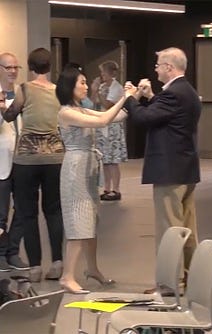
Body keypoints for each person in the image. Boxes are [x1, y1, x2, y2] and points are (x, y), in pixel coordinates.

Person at [123, 47, 200, 295]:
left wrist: (130, 98)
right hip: (185, 170)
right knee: (187, 230)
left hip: (169, 172)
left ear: (168, 67)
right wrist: (151, 96)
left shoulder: (174, 94)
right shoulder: (186, 91)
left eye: (158, 65)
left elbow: (144, 119)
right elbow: (164, 114)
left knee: (170, 229)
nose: (155, 69)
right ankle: (190, 278)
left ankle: (170, 284)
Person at [56, 66, 126, 294]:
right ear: (70, 86)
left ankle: (93, 268)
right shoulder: (66, 112)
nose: (86, 86)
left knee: (90, 222)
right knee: (79, 222)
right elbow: (104, 120)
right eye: (82, 83)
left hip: (88, 168)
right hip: (76, 168)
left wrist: (134, 99)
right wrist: (125, 98)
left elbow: (118, 116)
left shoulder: (81, 109)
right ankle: (67, 276)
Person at [0, 48, 64, 282]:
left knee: (28, 213)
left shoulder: (24, 90)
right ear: (50, 66)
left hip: (26, 159)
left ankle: (35, 267)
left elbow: (9, 116)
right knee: (54, 211)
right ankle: (57, 262)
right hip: (55, 158)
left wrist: (3, 106)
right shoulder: (59, 92)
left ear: (30, 66)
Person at [0, 52, 28, 271]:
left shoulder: (23, 93)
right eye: (8, 67)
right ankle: (0, 254)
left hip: (23, 161)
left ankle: (13, 251)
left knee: (23, 209)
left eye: (15, 67)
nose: (12, 71)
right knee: (0, 214)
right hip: (1, 163)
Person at [90, 60, 127, 201]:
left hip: (113, 126)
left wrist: (98, 93)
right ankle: (106, 187)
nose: (102, 75)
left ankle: (116, 189)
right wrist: (95, 91)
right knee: (105, 159)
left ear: (111, 73)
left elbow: (108, 104)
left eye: (103, 73)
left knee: (113, 160)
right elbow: (93, 102)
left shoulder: (117, 88)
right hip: (102, 125)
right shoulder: (103, 86)